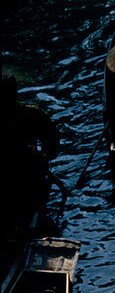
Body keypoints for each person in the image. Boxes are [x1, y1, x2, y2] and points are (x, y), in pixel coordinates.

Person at [0, 74, 59, 238]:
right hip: (26, 176)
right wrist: (47, 155)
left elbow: (51, 139)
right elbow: (52, 141)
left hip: (25, 176)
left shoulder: (32, 115)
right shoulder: (32, 114)